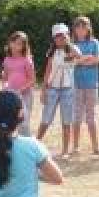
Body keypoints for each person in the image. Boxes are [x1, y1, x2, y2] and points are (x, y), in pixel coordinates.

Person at [37, 24, 79, 155]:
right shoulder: (52, 52)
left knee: (67, 120)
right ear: (54, 38)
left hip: (68, 89)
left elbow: (78, 55)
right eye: (57, 36)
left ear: (68, 35)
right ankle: (36, 143)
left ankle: (65, 150)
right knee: (46, 118)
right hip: (52, 89)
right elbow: (48, 70)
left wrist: (69, 44)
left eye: (63, 35)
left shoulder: (72, 50)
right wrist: (43, 90)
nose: (60, 39)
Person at [69, 16, 99, 156]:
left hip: (92, 85)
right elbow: (71, 61)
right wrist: (87, 58)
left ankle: (96, 147)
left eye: (84, 27)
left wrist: (81, 59)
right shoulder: (71, 44)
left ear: (88, 28)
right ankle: (75, 147)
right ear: (74, 29)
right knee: (76, 116)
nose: (81, 30)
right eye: (78, 27)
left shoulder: (95, 42)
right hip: (76, 84)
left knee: (91, 117)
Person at [1, 31, 36, 137]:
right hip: (11, 95)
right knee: (10, 121)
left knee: (24, 123)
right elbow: (5, 77)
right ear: (10, 43)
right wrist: (5, 86)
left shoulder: (27, 60)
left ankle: (28, 144)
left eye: (20, 44)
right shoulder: (7, 59)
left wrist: (20, 90)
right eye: (14, 42)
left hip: (25, 95)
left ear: (24, 46)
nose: (16, 46)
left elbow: (32, 79)